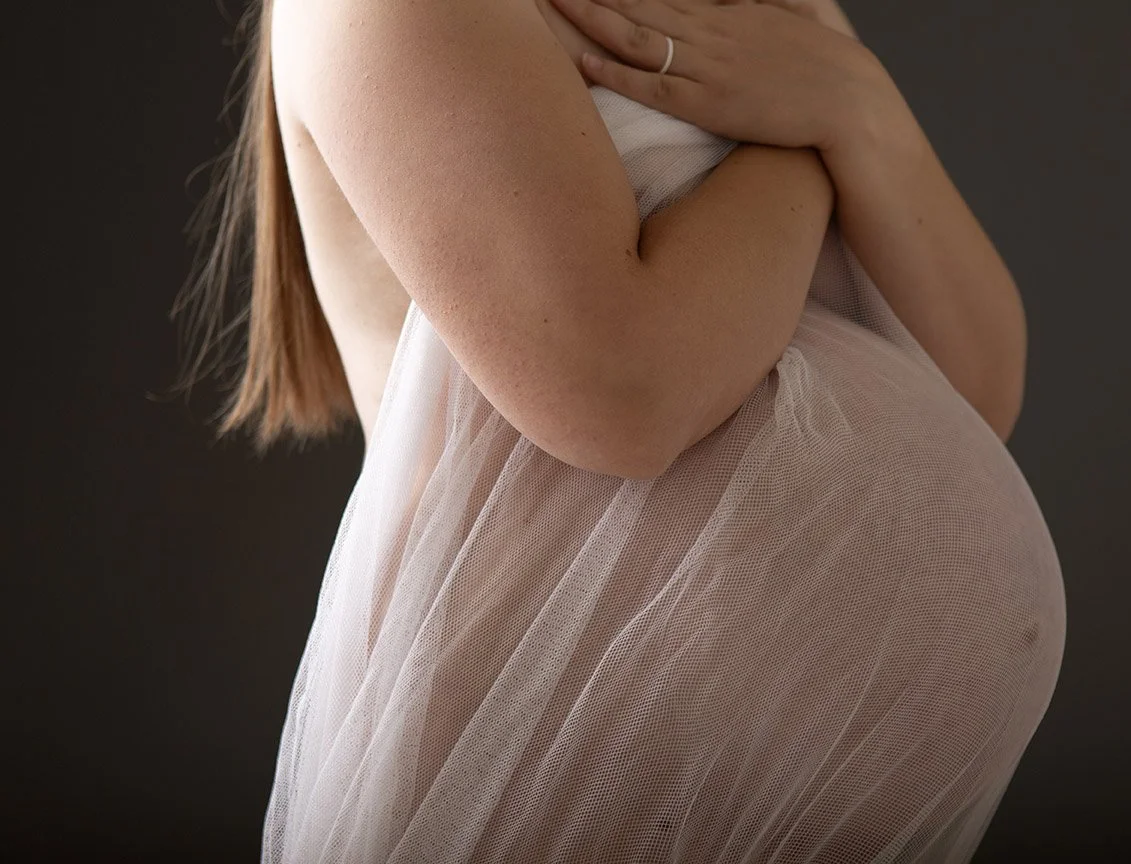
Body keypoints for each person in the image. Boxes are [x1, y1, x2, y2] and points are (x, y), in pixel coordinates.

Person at [174, 0, 1066, 860]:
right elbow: (629, 394)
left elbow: (976, 383)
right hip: (525, 784)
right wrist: (806, 137)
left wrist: (857, 108)